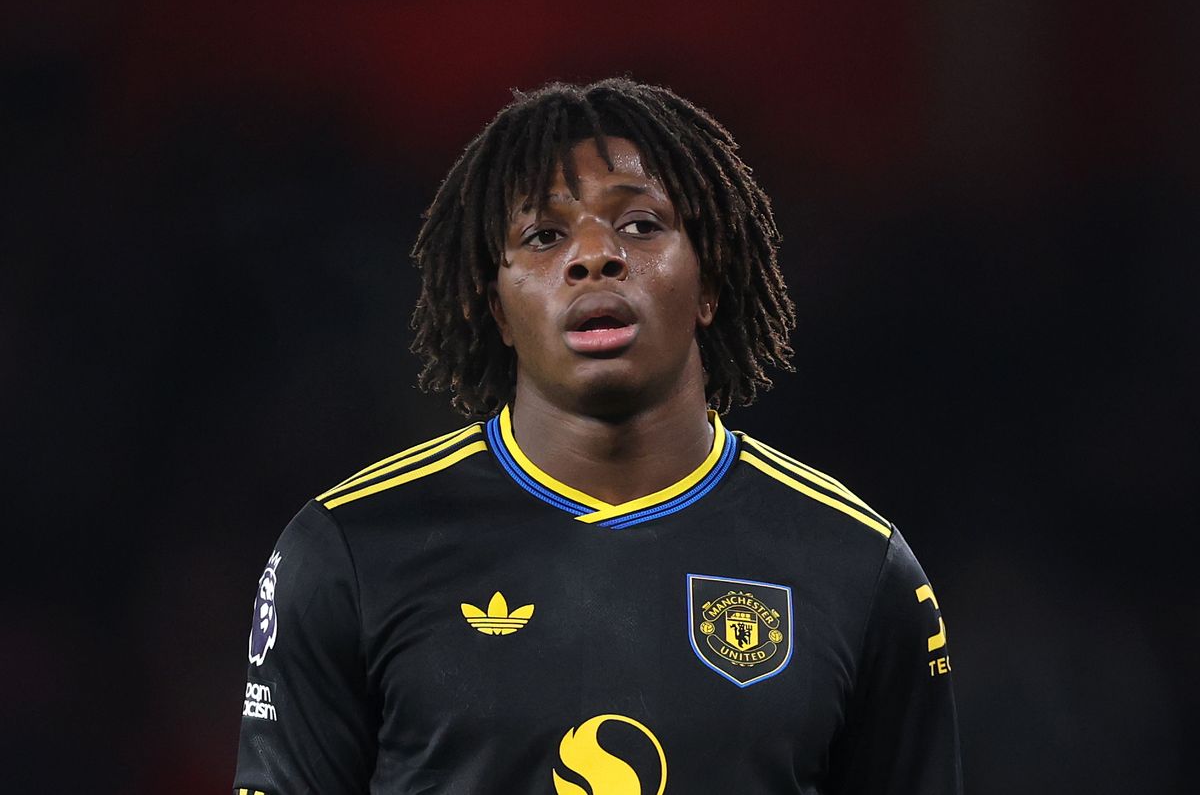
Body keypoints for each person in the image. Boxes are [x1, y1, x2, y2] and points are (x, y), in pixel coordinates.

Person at [233, 78, 962, 794]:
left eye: (640, 226)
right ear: (495, 307)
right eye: (545, 236)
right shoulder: (351, 553)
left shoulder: (859, 568)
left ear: (710, 284)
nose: (594, 256)